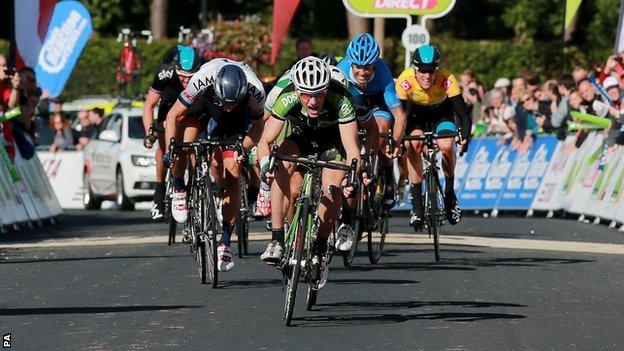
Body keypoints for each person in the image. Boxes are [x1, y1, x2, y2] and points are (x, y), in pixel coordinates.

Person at [257, 56, 360, 289]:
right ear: (296, 89)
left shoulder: (341, 98)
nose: (312, 101)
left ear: (326, 89)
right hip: (300, 138)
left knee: (332, 189)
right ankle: (277, 240)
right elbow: (265, 140)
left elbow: (352, 147)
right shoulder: (287, 97)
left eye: (318, 94)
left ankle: (321, 248)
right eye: (306, 95)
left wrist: (352, 176)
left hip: (333, 143)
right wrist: (265, 166)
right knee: (280, 166)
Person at [165, 58, 266, 272]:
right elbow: (173, 114)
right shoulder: (201, 80)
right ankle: (179, 187)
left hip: (236, 122)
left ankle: (225, 241)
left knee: (234, 170)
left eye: (233, 103)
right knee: (183, 144)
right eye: (226, 103)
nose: (228, 108)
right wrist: (169, 149)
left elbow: (258, 127)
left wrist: (243, 149)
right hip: (205, 104)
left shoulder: (255, 90)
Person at [334, 33, 406, 251]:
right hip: (353, 103)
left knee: (382, 130)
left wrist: (394, 142)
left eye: (368, 67)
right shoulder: (342, 70)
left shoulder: (383, 73)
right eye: (358, 67)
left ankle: (387, 176)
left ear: (375, 65)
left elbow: (400, 116)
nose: (363, 72)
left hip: (377, 104)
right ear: (350, 63)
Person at [395, 44, 471, 229]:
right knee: (413, 145)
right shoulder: (405, 81)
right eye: (422, 71)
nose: (427, 76)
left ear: (437, 69)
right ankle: (417, 206)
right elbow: (399, 117)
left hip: (441, 114)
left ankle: (450, 194)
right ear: (415, 69)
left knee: (446, 145)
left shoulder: (447, 79)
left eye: (431, 71)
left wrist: (465, 136)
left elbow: (463, 115)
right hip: (414, 116)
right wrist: (397, 140)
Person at [142, 45, 202, 221]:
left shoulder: (203, 73)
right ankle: (159, 190)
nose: (185, 79)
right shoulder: (165, 73)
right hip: (170, 99)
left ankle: (195, 182)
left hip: (193, 103)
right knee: (165, 143)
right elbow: (148, 106)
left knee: (187, 144)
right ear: (175, 69)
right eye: (182, 75)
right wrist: (149, 132)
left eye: (189, 76)